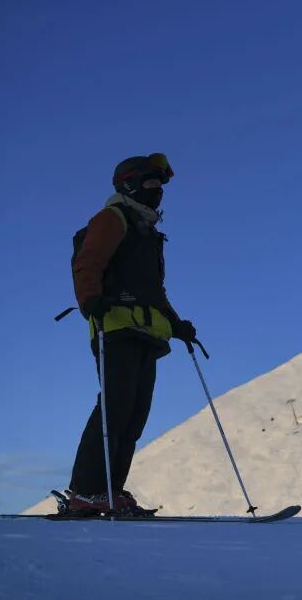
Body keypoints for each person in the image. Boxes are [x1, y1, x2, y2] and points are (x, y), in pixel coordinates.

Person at [67, 153, 197, 514]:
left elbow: (153, 291)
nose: (158, 192)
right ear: (130, 185)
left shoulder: (148, 232)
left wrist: (176, 324)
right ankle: (85, 492)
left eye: (160, 185)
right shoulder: (113, 218)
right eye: (151, 183)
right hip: (114, 326)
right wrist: (89, 298)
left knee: (134, 415)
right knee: (116, 407)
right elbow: (89, 260)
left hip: (147, 332)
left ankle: (109, 491)